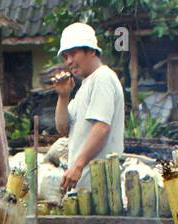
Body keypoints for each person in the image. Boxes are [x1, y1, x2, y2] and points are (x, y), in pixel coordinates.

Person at [51, 22, 126, 194]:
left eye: (73, 54)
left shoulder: (103, 78)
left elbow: (101, 127)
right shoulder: (85, 85)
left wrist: (77, 166)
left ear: (91, 51)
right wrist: (63, 96)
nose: (69, 61)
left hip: (100, 188)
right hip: (85, 187)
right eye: (65, 57)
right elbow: (62, 129)